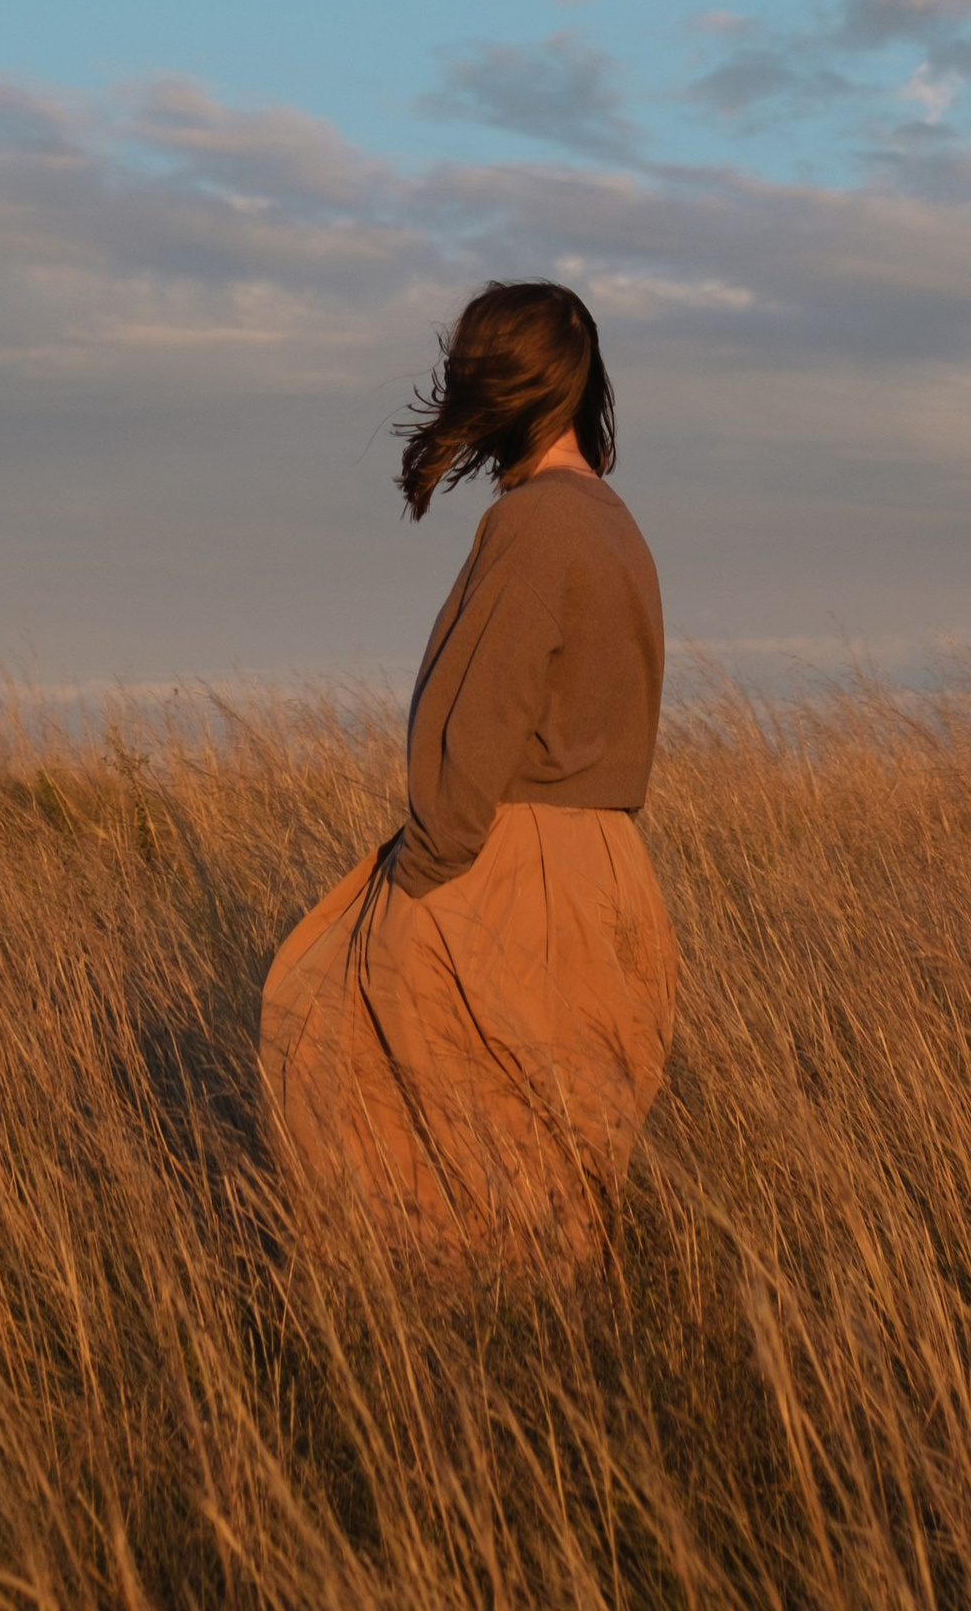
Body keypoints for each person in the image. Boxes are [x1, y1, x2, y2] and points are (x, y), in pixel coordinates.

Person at [259, 280, 676, 1265]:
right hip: (611, 871)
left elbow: (480, 718)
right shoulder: (614, 522)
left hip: (508, 867)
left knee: (355, 1076)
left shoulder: (532, 525)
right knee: (554, 1175)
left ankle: (431, 1378)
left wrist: (423, 868)